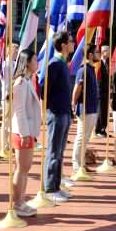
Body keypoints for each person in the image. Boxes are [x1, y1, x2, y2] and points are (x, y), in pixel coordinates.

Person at [9, 49, 40, 217]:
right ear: (27, 62)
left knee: (25, 168)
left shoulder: (28, 80)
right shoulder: (20, 82)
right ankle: (17, 203)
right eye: (34, 59)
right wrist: (24, 133)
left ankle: (21, 199)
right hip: (22, 131)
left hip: (28, 130)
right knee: (21, 168)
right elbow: (19, 110)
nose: (37, 62)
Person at [44, 31, 74, 204]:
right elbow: (45, 90)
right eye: (70, 41)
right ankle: (49, 188)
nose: (73, 44)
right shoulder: (54, 64)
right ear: (63, 44)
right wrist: (52, 109)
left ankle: (56, 185)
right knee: (54, 152)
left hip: (64, 112)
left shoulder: (63, 64)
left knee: (60, 152)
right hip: (56, 113)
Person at [72, 43, 99, 173]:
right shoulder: (83, 70)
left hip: (92, 108)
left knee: (86, 137)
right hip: (85, 108)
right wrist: (73, 103)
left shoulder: (91, 69)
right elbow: (77, 88)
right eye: (96, 52)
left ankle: (82, 163)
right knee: (81, 136)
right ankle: (76, 164)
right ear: (90, 55)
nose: (98, 54)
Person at [95, 45, 110, 138]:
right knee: (100, 110)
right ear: (103, 52)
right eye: (107, 51)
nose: (109, 52)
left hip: (105, 91)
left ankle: (103, 128)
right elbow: (98, 78)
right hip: (100, 91)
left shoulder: (105, 63)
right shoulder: (99, 63)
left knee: (104, 110)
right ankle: (98, 129)